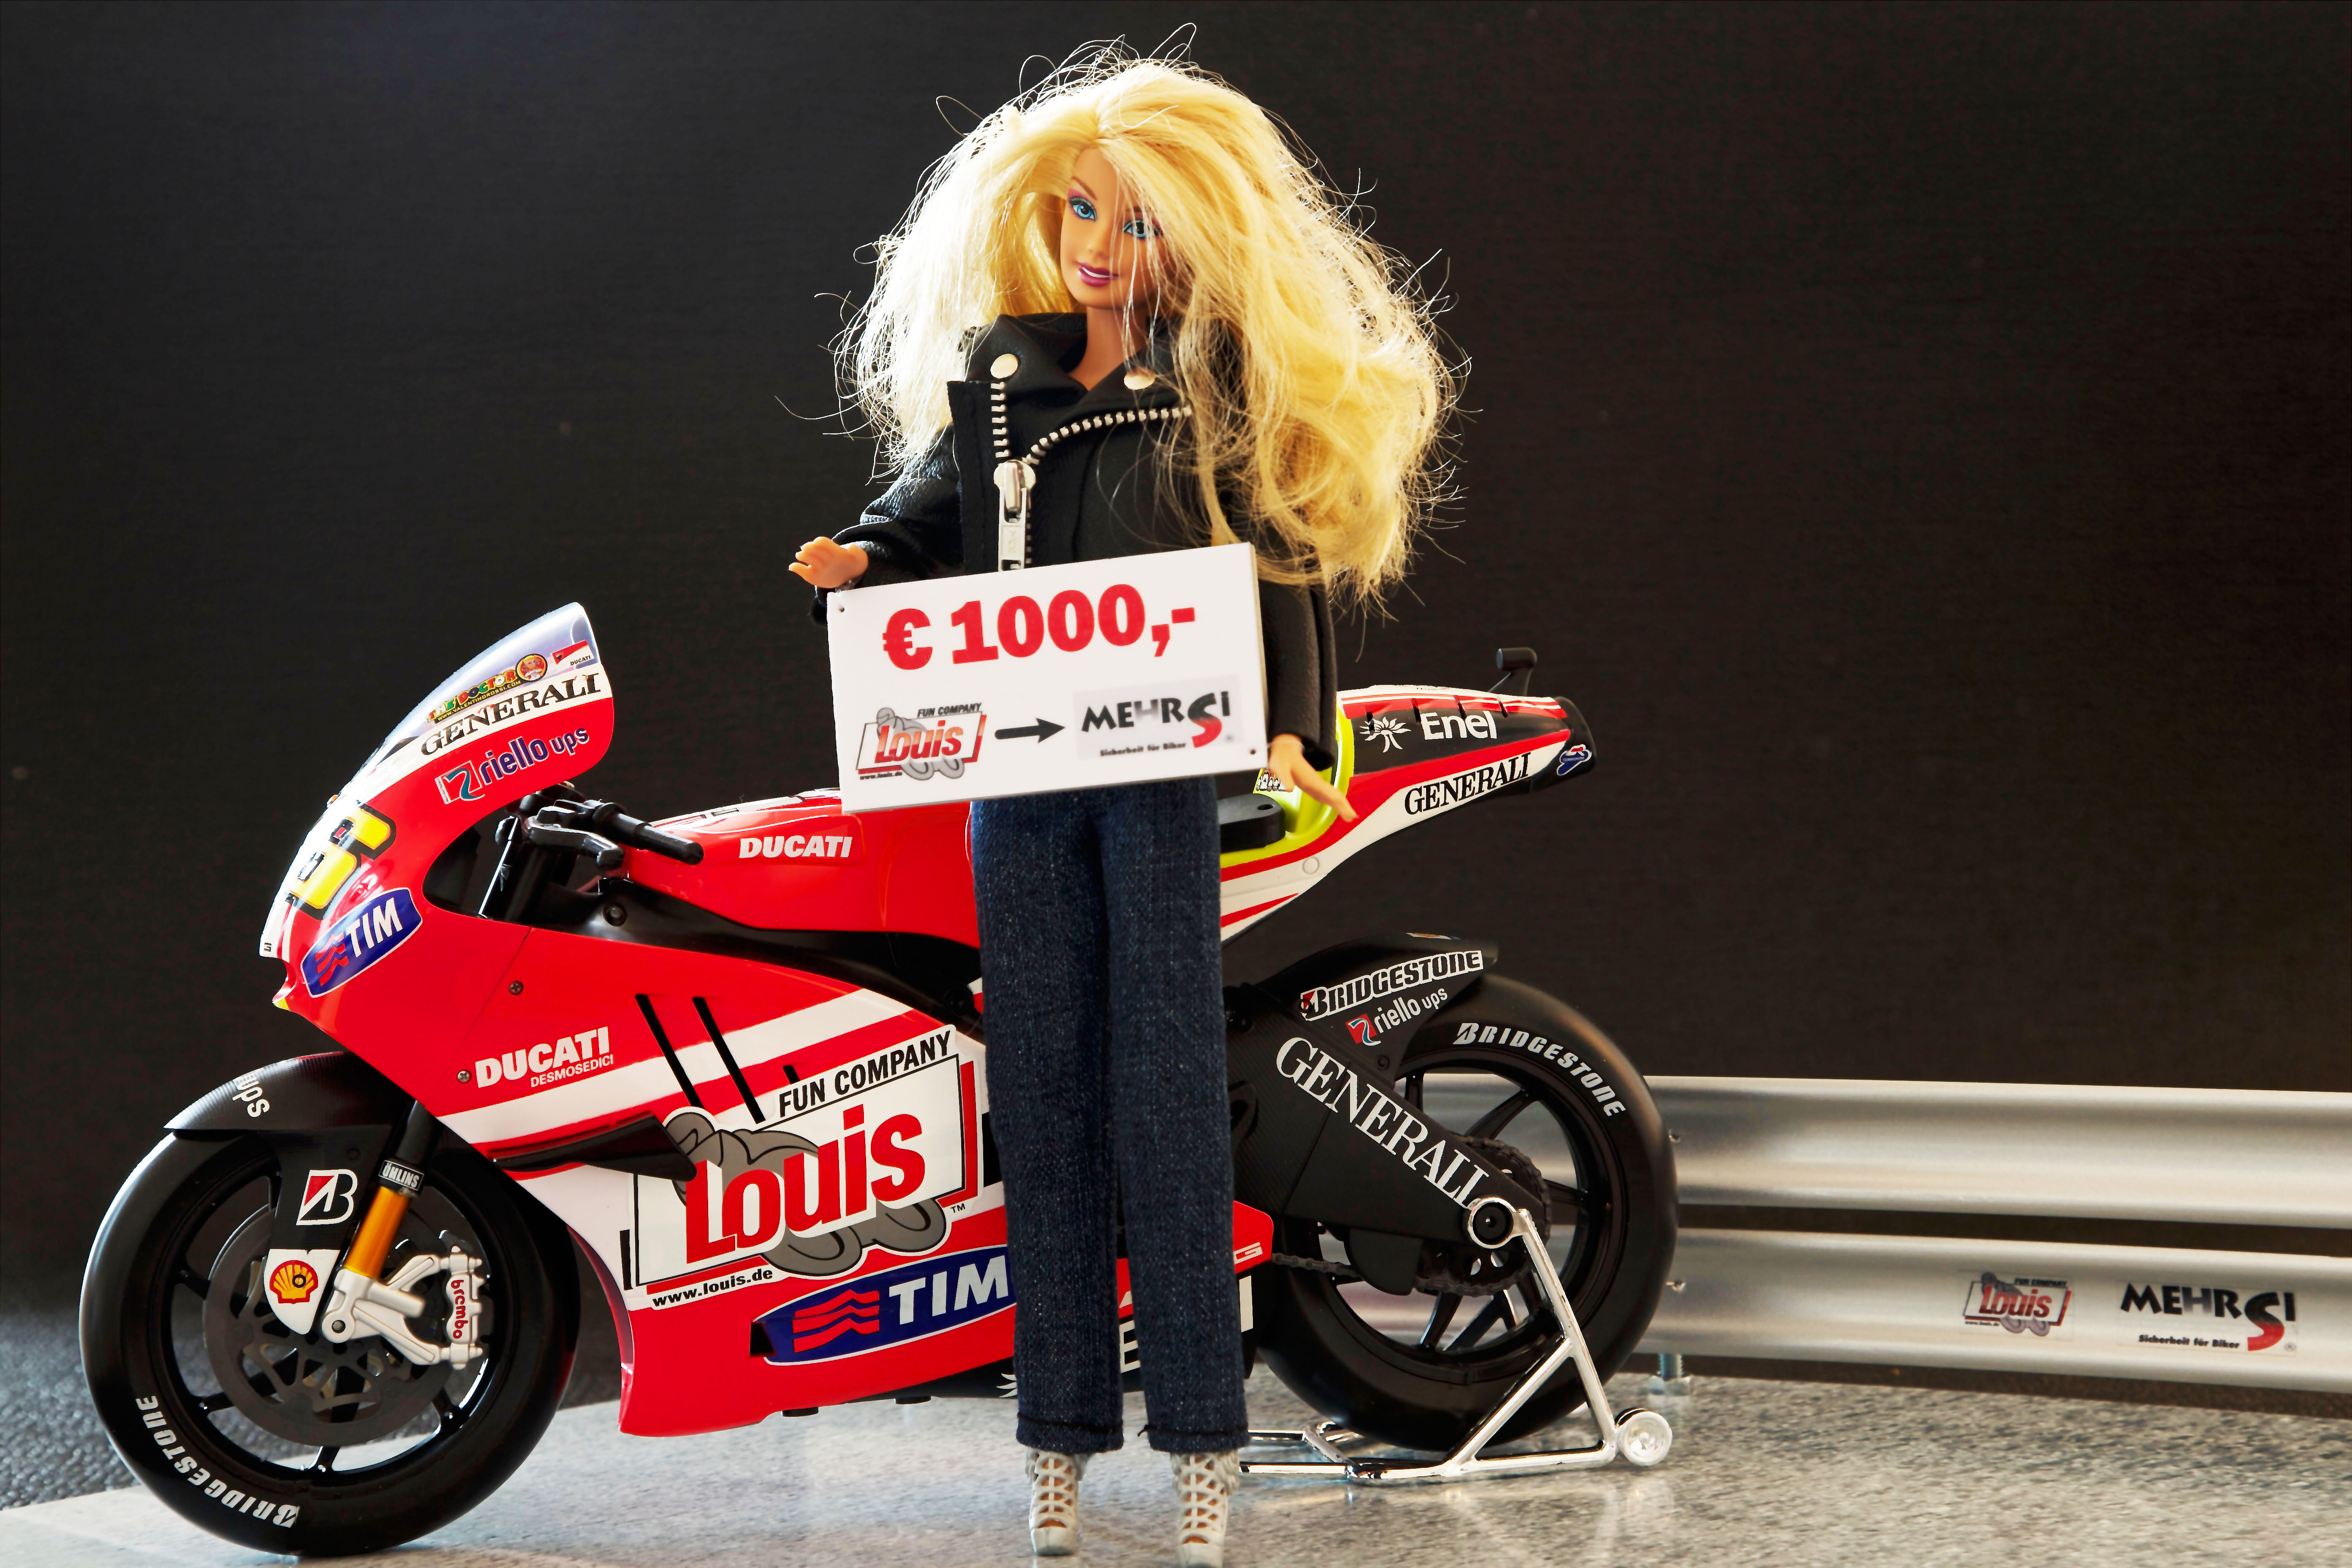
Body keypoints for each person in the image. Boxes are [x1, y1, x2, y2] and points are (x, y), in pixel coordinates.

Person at [791, 48, 1452, 1566]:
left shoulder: (1213, 383)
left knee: (1163, 1095)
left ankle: (1203, 1437)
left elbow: (1275, 557)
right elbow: (931, 507)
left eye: (1139, 220)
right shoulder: (1005, 374)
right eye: (1083, 210)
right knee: (1040, 1098)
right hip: (1015, 772)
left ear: (1200, 237)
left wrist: (1293, 724)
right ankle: (1058, 1437)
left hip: (1157, 772)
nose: (1100, 244)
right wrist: (864, 556)